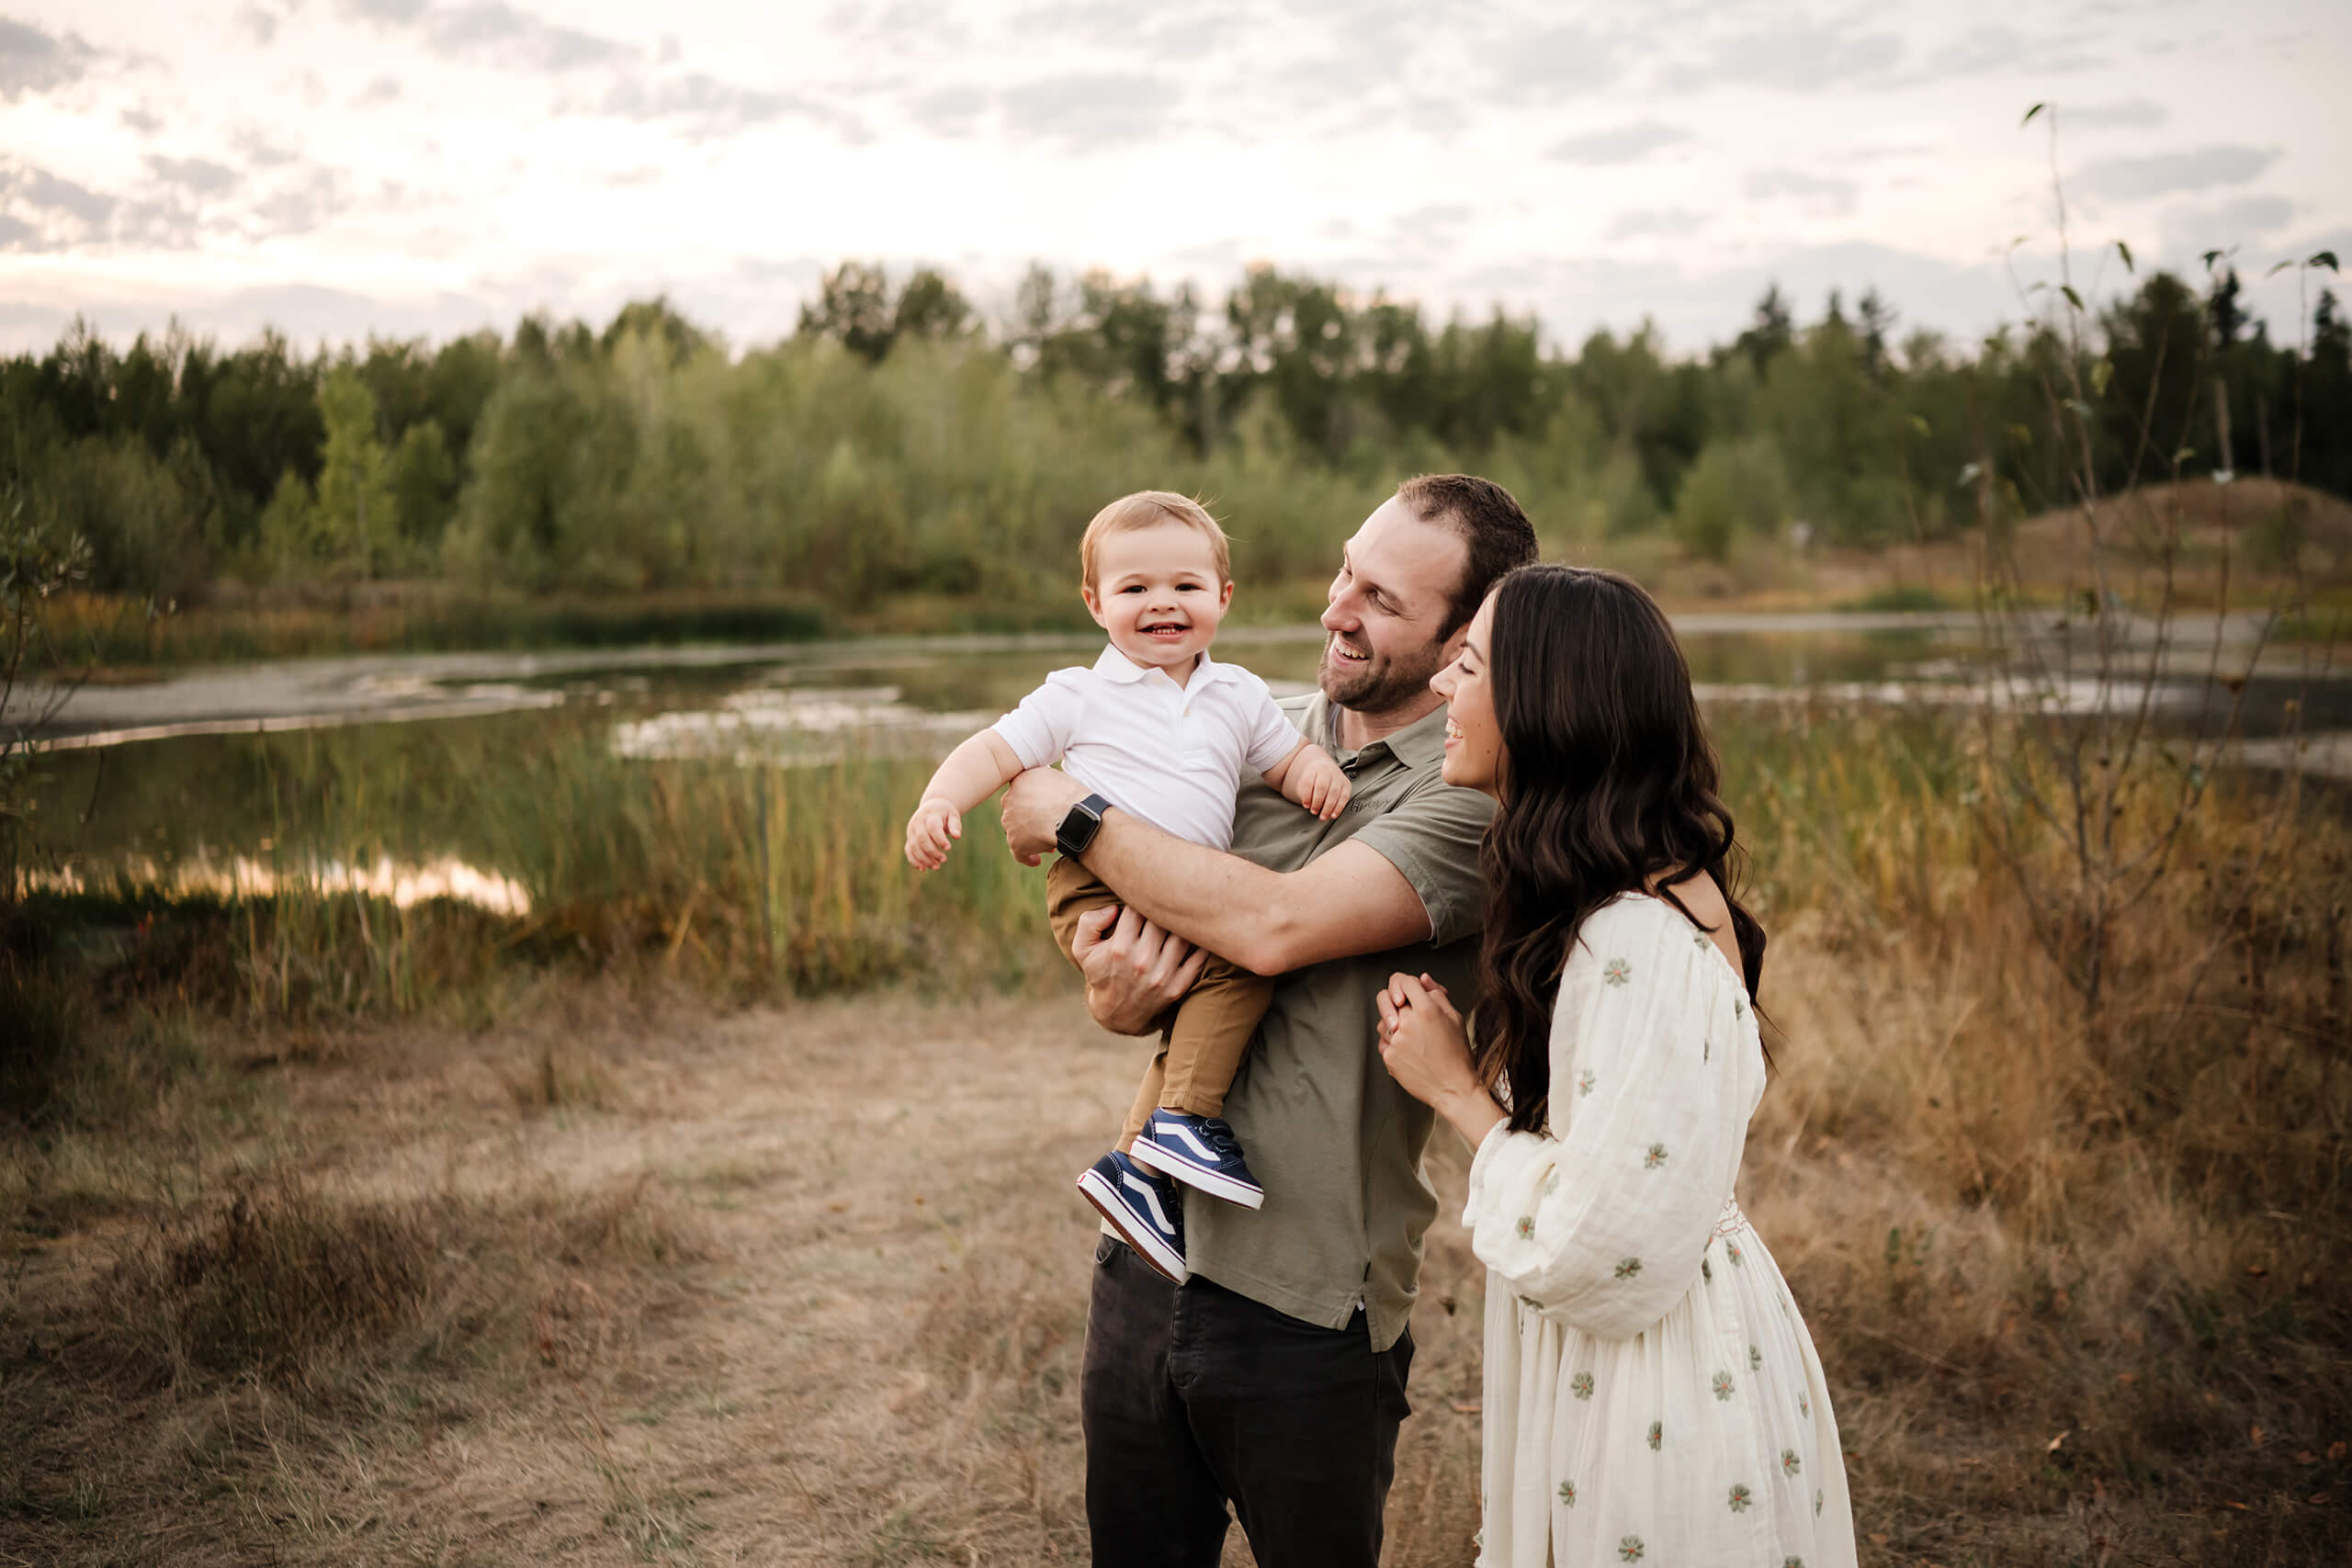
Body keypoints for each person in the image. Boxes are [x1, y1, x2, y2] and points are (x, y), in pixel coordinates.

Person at [997, 474, 1540, 1568]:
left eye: (1384, 600)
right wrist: (1111, 989)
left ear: (1464, 636)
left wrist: (1070, 809)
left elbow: (1273, 928)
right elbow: (1140, 940)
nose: (1338, 607)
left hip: (1307, 1296)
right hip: (1145, 1247)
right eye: (1348, 569)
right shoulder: (1240, 730)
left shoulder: (1476, 801)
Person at [1374, 564, 1859, 1567]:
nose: (1439, 692)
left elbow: (1599, 1251)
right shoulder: (1629, 899)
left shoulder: (1632, 937)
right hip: (1644, 1347)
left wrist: (1457, 1091)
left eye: (1465, 667)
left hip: (1661, 1381)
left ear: (1546, 704)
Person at [903, 491, 1352, 1276]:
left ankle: (1138, 1169)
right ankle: (1180, 1124)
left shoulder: (1240, 694)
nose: (1162, 604)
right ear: (1094, 603)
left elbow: (1284, 758)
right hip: (1099, 888)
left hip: (1187, 894)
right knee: (1246, 957)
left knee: (1235, 967)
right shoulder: (1078, 693)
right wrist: (942, 800)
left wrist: (1315, 772)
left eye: (1184, 584)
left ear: (1224, 596)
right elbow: (995, 751)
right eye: (1135, 588)